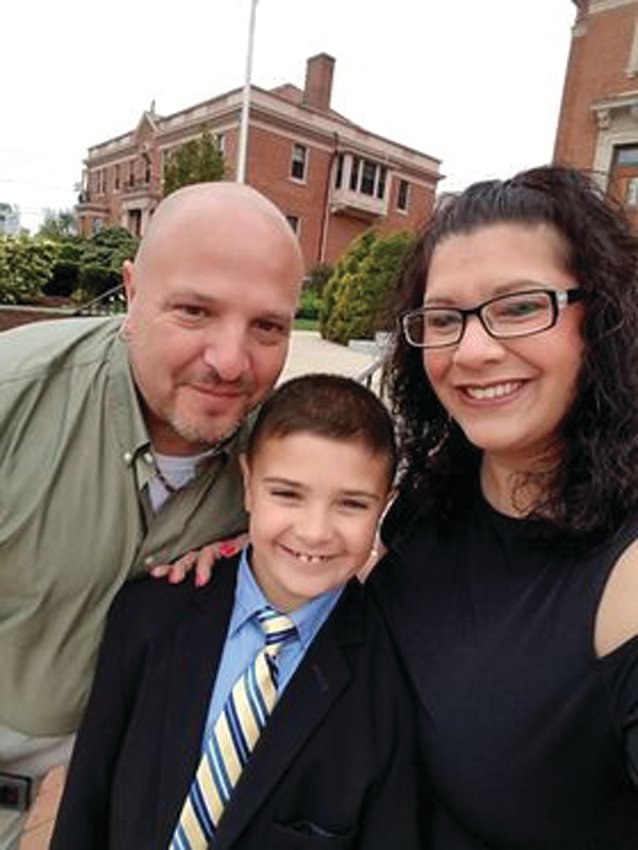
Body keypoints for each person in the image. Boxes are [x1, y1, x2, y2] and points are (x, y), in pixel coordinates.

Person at [0, 182, 304, 849]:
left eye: (267, 327)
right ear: (132, 292)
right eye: (195, 310)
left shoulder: (286, 464)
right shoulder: (12, 397)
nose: (230, 362)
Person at [371, 165, 638, 847]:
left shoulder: (625, 576)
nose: (473, 351)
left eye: (519, 306)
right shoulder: (422, 508)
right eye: (443, 319)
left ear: (602, 317)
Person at [50, 374, 424, 850]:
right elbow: (88, 800)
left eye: (351, 504)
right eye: (287, 494)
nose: (314, 531)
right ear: (248, 485)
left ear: (384, 505)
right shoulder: (148, 616)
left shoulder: (389, 677)